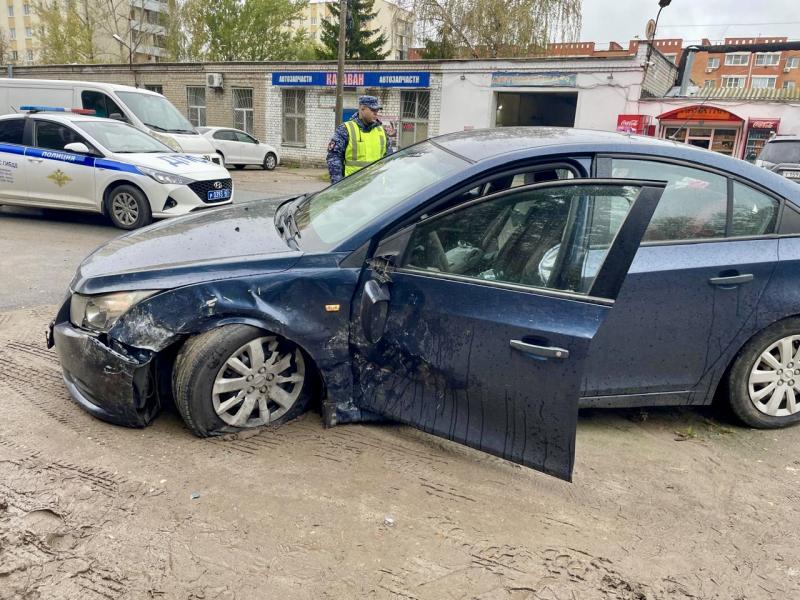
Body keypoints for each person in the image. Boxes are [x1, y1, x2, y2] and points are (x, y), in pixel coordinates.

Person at [326, 95, 393, 184]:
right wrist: (337, 185)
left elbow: (388, 159)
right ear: (362, 109)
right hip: (352, 188)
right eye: (373, 110)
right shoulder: (346, 129)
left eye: (377, 110)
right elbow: (334, 158)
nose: (376, 113)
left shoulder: (381, 131)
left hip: (376, 187)